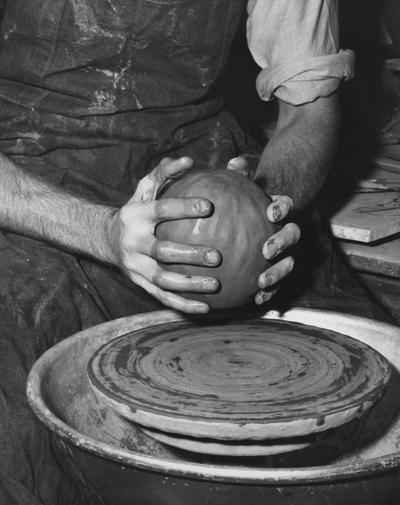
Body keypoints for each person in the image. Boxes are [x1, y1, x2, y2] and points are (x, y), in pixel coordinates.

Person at [0, 0, 356, 503]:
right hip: (27, 183)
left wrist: (260, 206)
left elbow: (310, 109)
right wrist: (101, 231)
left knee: (350, 386)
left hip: (195, 162)